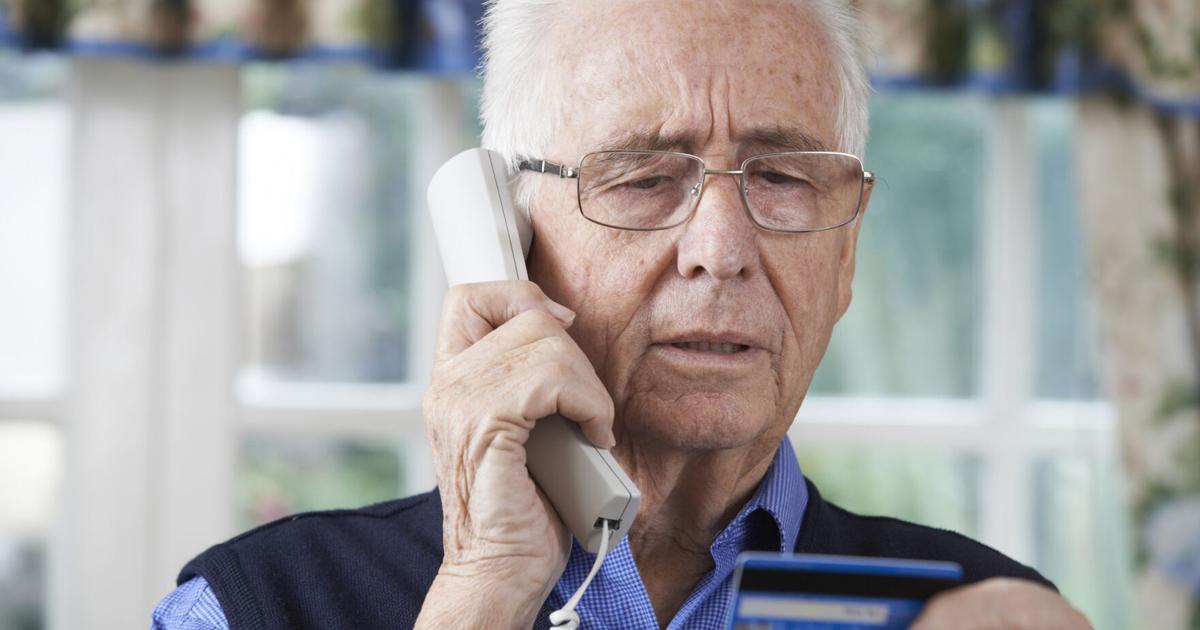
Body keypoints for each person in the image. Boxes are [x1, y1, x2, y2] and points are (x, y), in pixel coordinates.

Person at [152, 1, 1093, 628]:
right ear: (509, 238)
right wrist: (482, 592)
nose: (720, 249)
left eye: (782, 176)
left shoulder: (986, 612)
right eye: (643, 177)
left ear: (845, 255)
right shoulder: (254, 608)